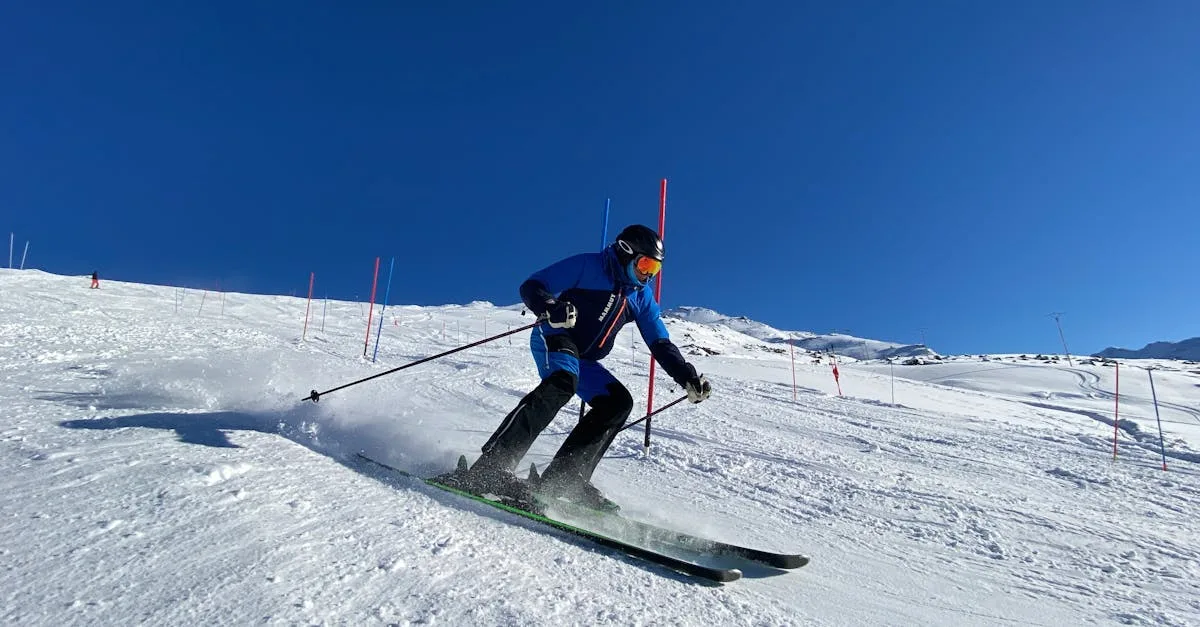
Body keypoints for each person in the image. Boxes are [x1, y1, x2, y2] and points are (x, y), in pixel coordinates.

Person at [446, 224, 712, 511]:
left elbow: (659, 341)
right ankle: (490, 468)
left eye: (655, 269)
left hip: (585, 358)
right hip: (555, 335)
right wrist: (551, 306)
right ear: (626, 253)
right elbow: (533, 286)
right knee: (563, 382)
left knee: (618, 402)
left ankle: (563, 482)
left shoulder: (640, 296)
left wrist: (686, 375)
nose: (648, 274)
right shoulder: (589, 266)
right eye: (645, 264)